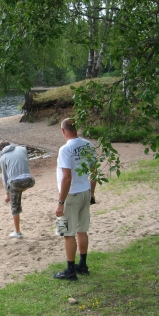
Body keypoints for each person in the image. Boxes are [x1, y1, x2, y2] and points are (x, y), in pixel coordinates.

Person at [53, 118, 97, 281]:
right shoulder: (88, 145)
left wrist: (60, 203)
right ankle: (83, 265)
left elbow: (66, 178)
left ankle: (70, 270)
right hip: (85, 191)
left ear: (63, 131)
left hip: (71, 195)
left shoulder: (65, 149)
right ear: (76, 129)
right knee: (82, 229)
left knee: (67, 232)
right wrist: (92, 193)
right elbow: (94, 171)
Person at [0, 140, 35, 239]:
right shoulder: (22, 149)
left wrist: (7, 193)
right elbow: (26, 162)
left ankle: (17, 232)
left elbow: (5, 177)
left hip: (15, 183)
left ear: (2, 149)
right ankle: (15, 192)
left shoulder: (3, 158)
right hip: (30, 181)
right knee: (18, 188)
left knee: (15, 208)